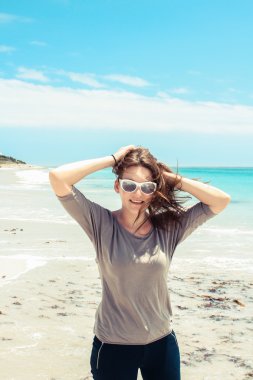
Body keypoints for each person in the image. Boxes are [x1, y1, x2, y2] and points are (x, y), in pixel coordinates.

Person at [49, 145, 231, 380]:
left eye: (147, 187)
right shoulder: (101, 223)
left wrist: (167, 177)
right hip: (113, 345)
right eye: (129, 185)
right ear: (117, 186)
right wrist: (113, 158)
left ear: (155, 191)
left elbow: (220, 201)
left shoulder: (169, 227)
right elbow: (58, 178)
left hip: (162, 342)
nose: (138, 193)